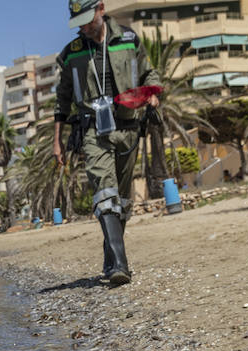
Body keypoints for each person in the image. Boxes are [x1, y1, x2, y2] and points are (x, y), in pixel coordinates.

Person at [53, 0, 161, 286]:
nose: (85, 27)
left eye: (88, 19)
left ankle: (110, 257)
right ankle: (120, 266)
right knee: (105, 192)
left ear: (101, 9)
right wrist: (57, 142)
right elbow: (62, 101)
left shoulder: (128, 39)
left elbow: (150, 73)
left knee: (122, 201)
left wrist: (153, 93)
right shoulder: (71, 54)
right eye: (80, 22)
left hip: (128, 127)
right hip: (92, 130)